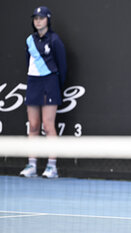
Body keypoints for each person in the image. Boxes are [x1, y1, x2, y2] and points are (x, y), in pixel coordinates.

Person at [19, 6, 67, 178]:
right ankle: (31, 165)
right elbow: (28, 62)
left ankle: (51, 167)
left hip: (50, 83)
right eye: (35, 18)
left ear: (48, 20)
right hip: (33, 83)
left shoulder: (54, 40)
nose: (38, 20)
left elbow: (62, 65)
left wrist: (54, 84)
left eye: (41, 17)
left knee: (48, 125)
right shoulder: (29, 40)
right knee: (33, 125)